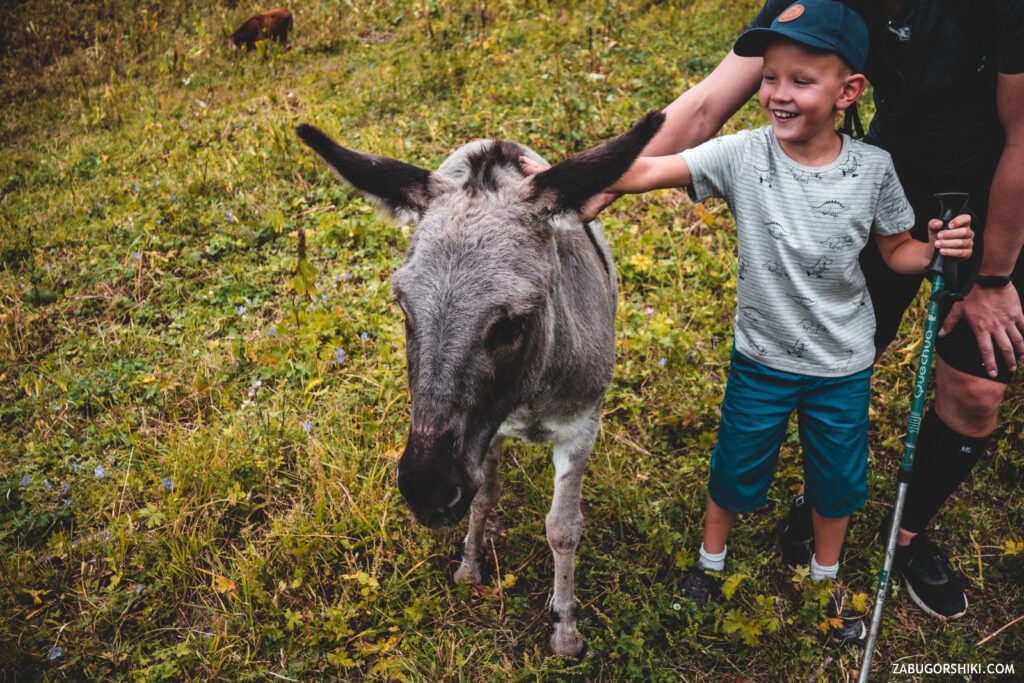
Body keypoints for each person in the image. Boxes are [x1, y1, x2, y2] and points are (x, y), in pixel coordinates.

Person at [525, 0, 974, 643]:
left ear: (849, 92)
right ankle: (710, 565)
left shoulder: (875, 170)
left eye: (801, 80)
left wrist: (932, 253)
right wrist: (579, 176)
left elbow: (895, 250)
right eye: (769, 77)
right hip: (760, 359)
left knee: (838, 482)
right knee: (736, 467)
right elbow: (653, 168)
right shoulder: (742, 154)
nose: (778, 94)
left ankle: (825, 581)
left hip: (842, 367)